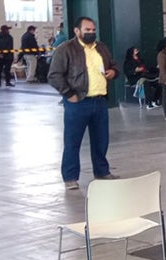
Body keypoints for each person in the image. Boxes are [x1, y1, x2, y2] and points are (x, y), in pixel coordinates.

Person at [48, 16, 121, 190]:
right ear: (77, 31)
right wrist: (69, 94)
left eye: (93, 30)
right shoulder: (65, 49)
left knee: (101, 140)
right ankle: (70, 177)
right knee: (73, 141)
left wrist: (113, 71)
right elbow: (54, 75)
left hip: (100, 101)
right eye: (87, 30)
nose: (91, 33)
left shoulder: (101, 48)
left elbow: (114, 65)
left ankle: (102, 171)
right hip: (78, 102)